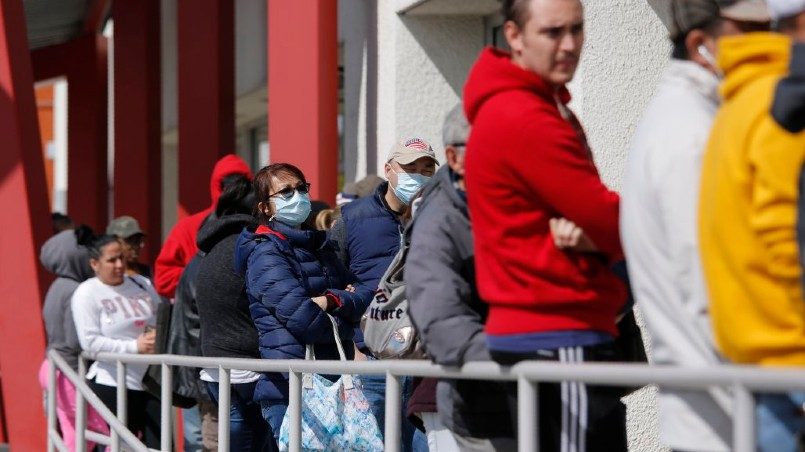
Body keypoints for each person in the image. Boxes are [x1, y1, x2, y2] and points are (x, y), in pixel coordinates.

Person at [463, 0, 628, 449]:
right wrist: (606, 232)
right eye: (553, 32)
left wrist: (598, 232)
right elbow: (604, 217)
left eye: (577, 29)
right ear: (514, 36)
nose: (570, 44)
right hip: (555, 328)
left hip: (553, 328)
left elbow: (596, 218)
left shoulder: (539, 106)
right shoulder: (523, 114)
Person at [620, 2, 769, 451]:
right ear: (702, 45)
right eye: (753, 32)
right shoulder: (692, 135)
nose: (773, 45)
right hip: (725, 413)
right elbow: (708, 285)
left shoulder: (689, 119)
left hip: (718, 407)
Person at [698, 1, 805, 450]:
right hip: (792, 361)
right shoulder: (782, 103)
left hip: (759, 360)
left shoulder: (736, 104)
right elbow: (785, 234)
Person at [407, 105, 514, 451]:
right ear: (454, 158)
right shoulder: (439, 221)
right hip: (478, 403)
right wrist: (529, 357)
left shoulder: (520, 205)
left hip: (538, 399)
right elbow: (443, 322)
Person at [235, 163, 366, 442]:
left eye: (301, 188)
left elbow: (360, 297)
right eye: (285, 192)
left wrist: (331, 300)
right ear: (266, 207)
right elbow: (305, 321)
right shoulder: (265, 253)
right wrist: (344, 317)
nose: (297, 196)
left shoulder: (319, 245)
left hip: (333, 380)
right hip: (290, 388)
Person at [328, 139, 436, 451]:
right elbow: (330, 281)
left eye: (426, 169)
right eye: (410, 167)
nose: (418, 175)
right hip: (372, 364)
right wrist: (354, 341)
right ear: (389, 170)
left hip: (426, 365)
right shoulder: (352, 218)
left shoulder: (443, 216)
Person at [195, 175, 273, 451]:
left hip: (216, 363)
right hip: (247, 365)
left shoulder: (214, 247)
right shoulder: (250, 245)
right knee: (251, 439)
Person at [72, 235, 162, 448]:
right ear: (95, 264)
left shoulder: (141, 283)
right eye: (112, 260)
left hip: (152, 380)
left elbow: (160, 317)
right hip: (113, 381)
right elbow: (90, 343)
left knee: (160, 444)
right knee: (120, 445)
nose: (120, 265)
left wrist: (157, 335)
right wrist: (135, 347)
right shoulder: (86, 293)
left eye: (121, 257)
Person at [37, 227, 109, 451]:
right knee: (107, 430)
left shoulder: (57, 286)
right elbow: (75, 341)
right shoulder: (75, 290)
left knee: (73, 433)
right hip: (70, 372)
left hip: (53, 368)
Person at [155, 154, 253, 299]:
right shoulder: (187, 228)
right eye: (227, 185)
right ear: (217, 186)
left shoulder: (259, 225)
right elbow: (163, 279)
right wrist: (207, 276)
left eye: (239, 185)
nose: (233, 191)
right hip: (200, 308)